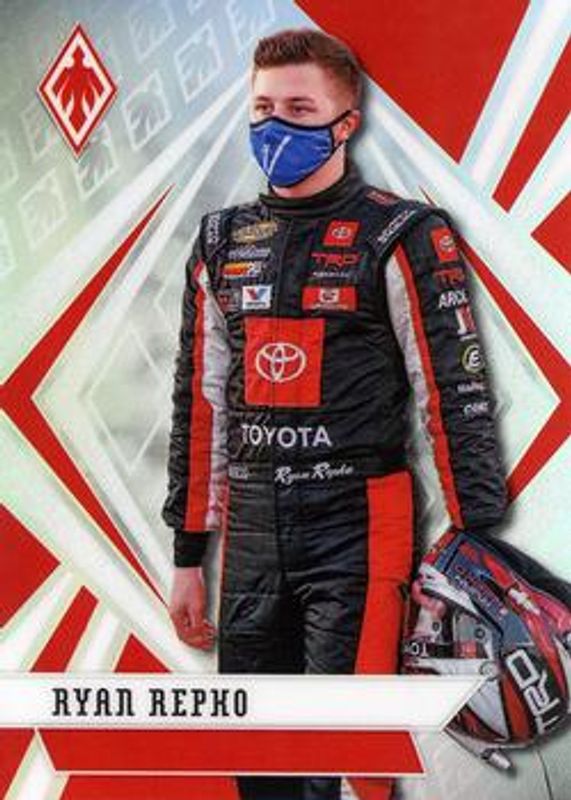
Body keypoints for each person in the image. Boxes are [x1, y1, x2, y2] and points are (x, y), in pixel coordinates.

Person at [162, 27, 508, 800]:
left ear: (346, 122)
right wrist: (187, 556)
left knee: (346, 766)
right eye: (262, 108)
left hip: (359, 521)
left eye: (298, 108)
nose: (273, 125)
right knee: (259, 765)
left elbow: (453, 392)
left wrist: (479, 549)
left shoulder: (403, 232)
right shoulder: (219, 239)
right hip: (251, 532)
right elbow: (199, 405)